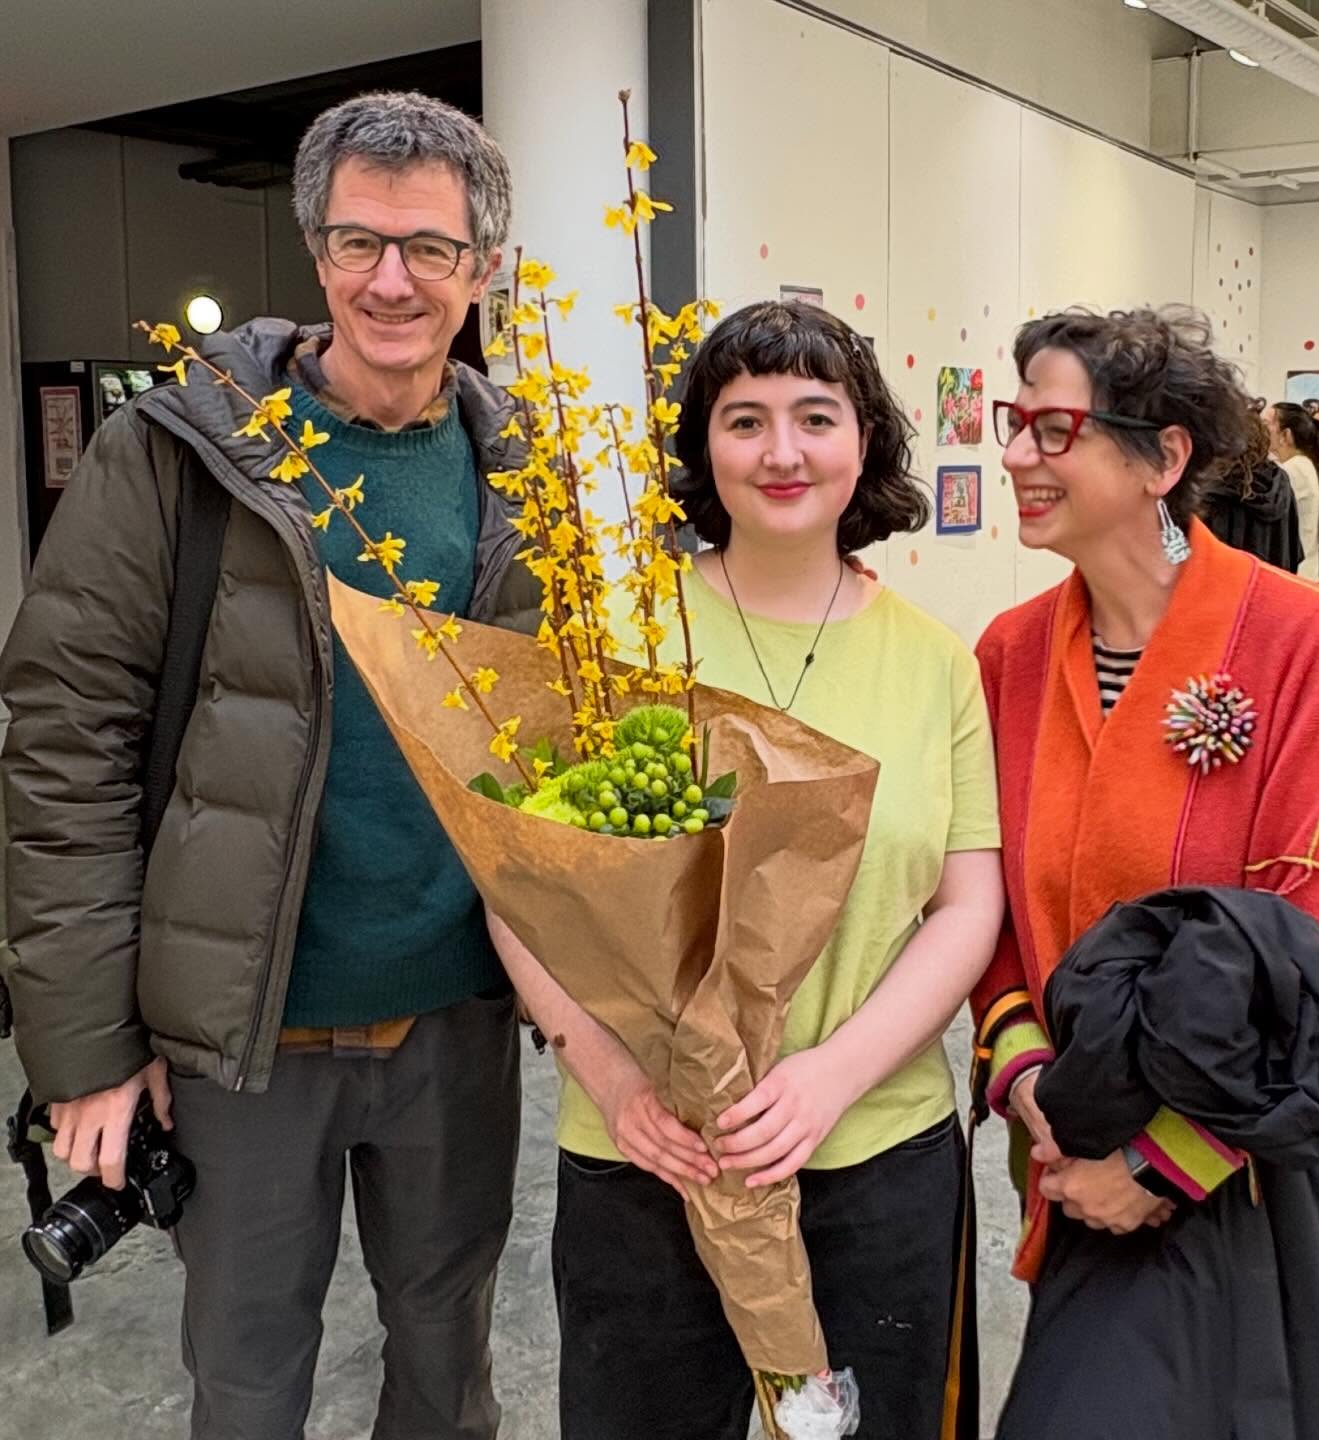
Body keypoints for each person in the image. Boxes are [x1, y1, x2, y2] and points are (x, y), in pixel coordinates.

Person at [1, 91, 536, 1440]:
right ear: (315, 252)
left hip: (454, 1026)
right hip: (242, 1042)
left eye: (429, 248)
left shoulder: (523, 473)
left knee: (447, 1367)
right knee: (245, 1385)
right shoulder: (178, 454)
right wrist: (88, 1054)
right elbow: (66, 751)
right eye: (359, 243)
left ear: (482, 266)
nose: (392, 282)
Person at [486, 299, 1006, 1439]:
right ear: (700, 447)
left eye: (815, 417)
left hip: (874, 1153)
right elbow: (521, 889)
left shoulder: (933, 663)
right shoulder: (614, 636)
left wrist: (832, 1078)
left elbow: (968, 907)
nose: (781, 452)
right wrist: (620, 1084)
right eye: (744, 419)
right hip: (648, 1156)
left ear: (864, 440)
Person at [970, 308, 1319, 1428]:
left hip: (1279, 1163)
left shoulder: (1299, 636)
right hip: (1079, 1151)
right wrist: (1033, 1086)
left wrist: (1160, 1163)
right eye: (1014, 423)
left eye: (1053, 428)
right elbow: (986, 912)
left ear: (1163, 459)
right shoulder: (1012, 653)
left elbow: (1317, 927)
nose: (1017, 456)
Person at [1202, 408, 1301, 572]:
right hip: (1272, 586)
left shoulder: (1212, 489)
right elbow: (1294, 550)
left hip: (1226, 587)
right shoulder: (1280, 482)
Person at [1265, 400, 1319, 581]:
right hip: (1305, 573)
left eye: (1265, 425)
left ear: (1285, 435)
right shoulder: (1305, 465)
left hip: (1294, 577)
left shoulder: (1291, 470)